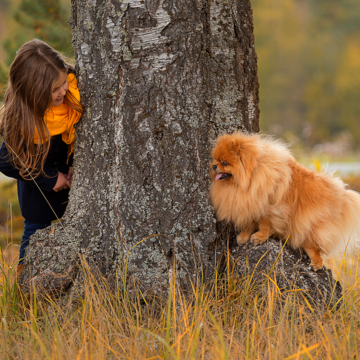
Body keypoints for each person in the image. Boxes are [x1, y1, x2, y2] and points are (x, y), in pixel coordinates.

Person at [0, 39, 83, 275]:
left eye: (63, 82)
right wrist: (50, 177)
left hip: (77, 195)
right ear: (34, 92)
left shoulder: (73, 96)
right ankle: (25, 290)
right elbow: (6, 160)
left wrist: (78, 163)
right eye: (55, 89)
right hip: (40, 203)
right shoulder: (21, 120)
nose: (64, 90)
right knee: (33, 244)